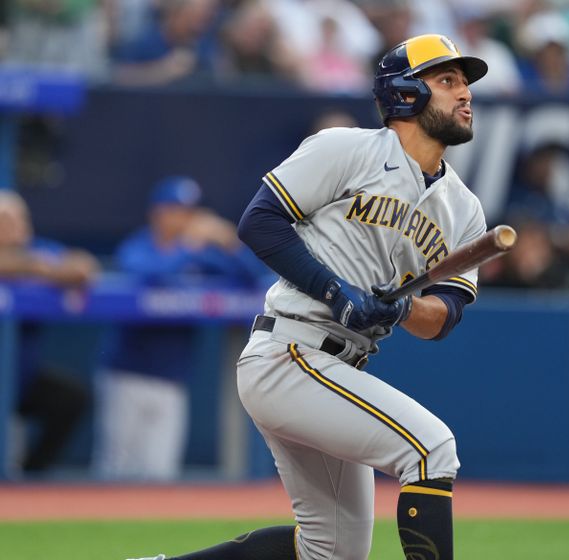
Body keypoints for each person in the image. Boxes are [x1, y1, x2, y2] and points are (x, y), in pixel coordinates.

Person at [126, 33, 489, 560]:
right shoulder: (347, 148)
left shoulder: (465, 209)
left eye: (466, 84)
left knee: (331, 551)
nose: (465, 95)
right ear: (405, 92)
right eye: (447, 80)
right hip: (289, 352)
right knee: (432, 450)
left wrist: (404, 306)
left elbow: (443, 318)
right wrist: (336, 290)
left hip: (338, 368)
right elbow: (260, 222)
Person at [94, 176, 266, 480]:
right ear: (157, 212)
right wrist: (188, 246)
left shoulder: (201, 252)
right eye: (175, 209)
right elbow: (147, 275)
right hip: (126, 376)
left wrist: (230, 243)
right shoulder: (140, 246)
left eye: (189, 211)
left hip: (172, 381)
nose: (184, 218)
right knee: (114, 470)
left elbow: (253, 276)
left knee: (161, 474)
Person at [0, 190, 98, 474]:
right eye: (7, 219)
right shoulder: (33, 258)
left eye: (21, 218)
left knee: (71, 398)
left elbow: (83, 267)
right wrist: (33, 267)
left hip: (21, 378)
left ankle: (33, 474)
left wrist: (41, 268)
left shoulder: (37, 248)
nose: (17, 225)